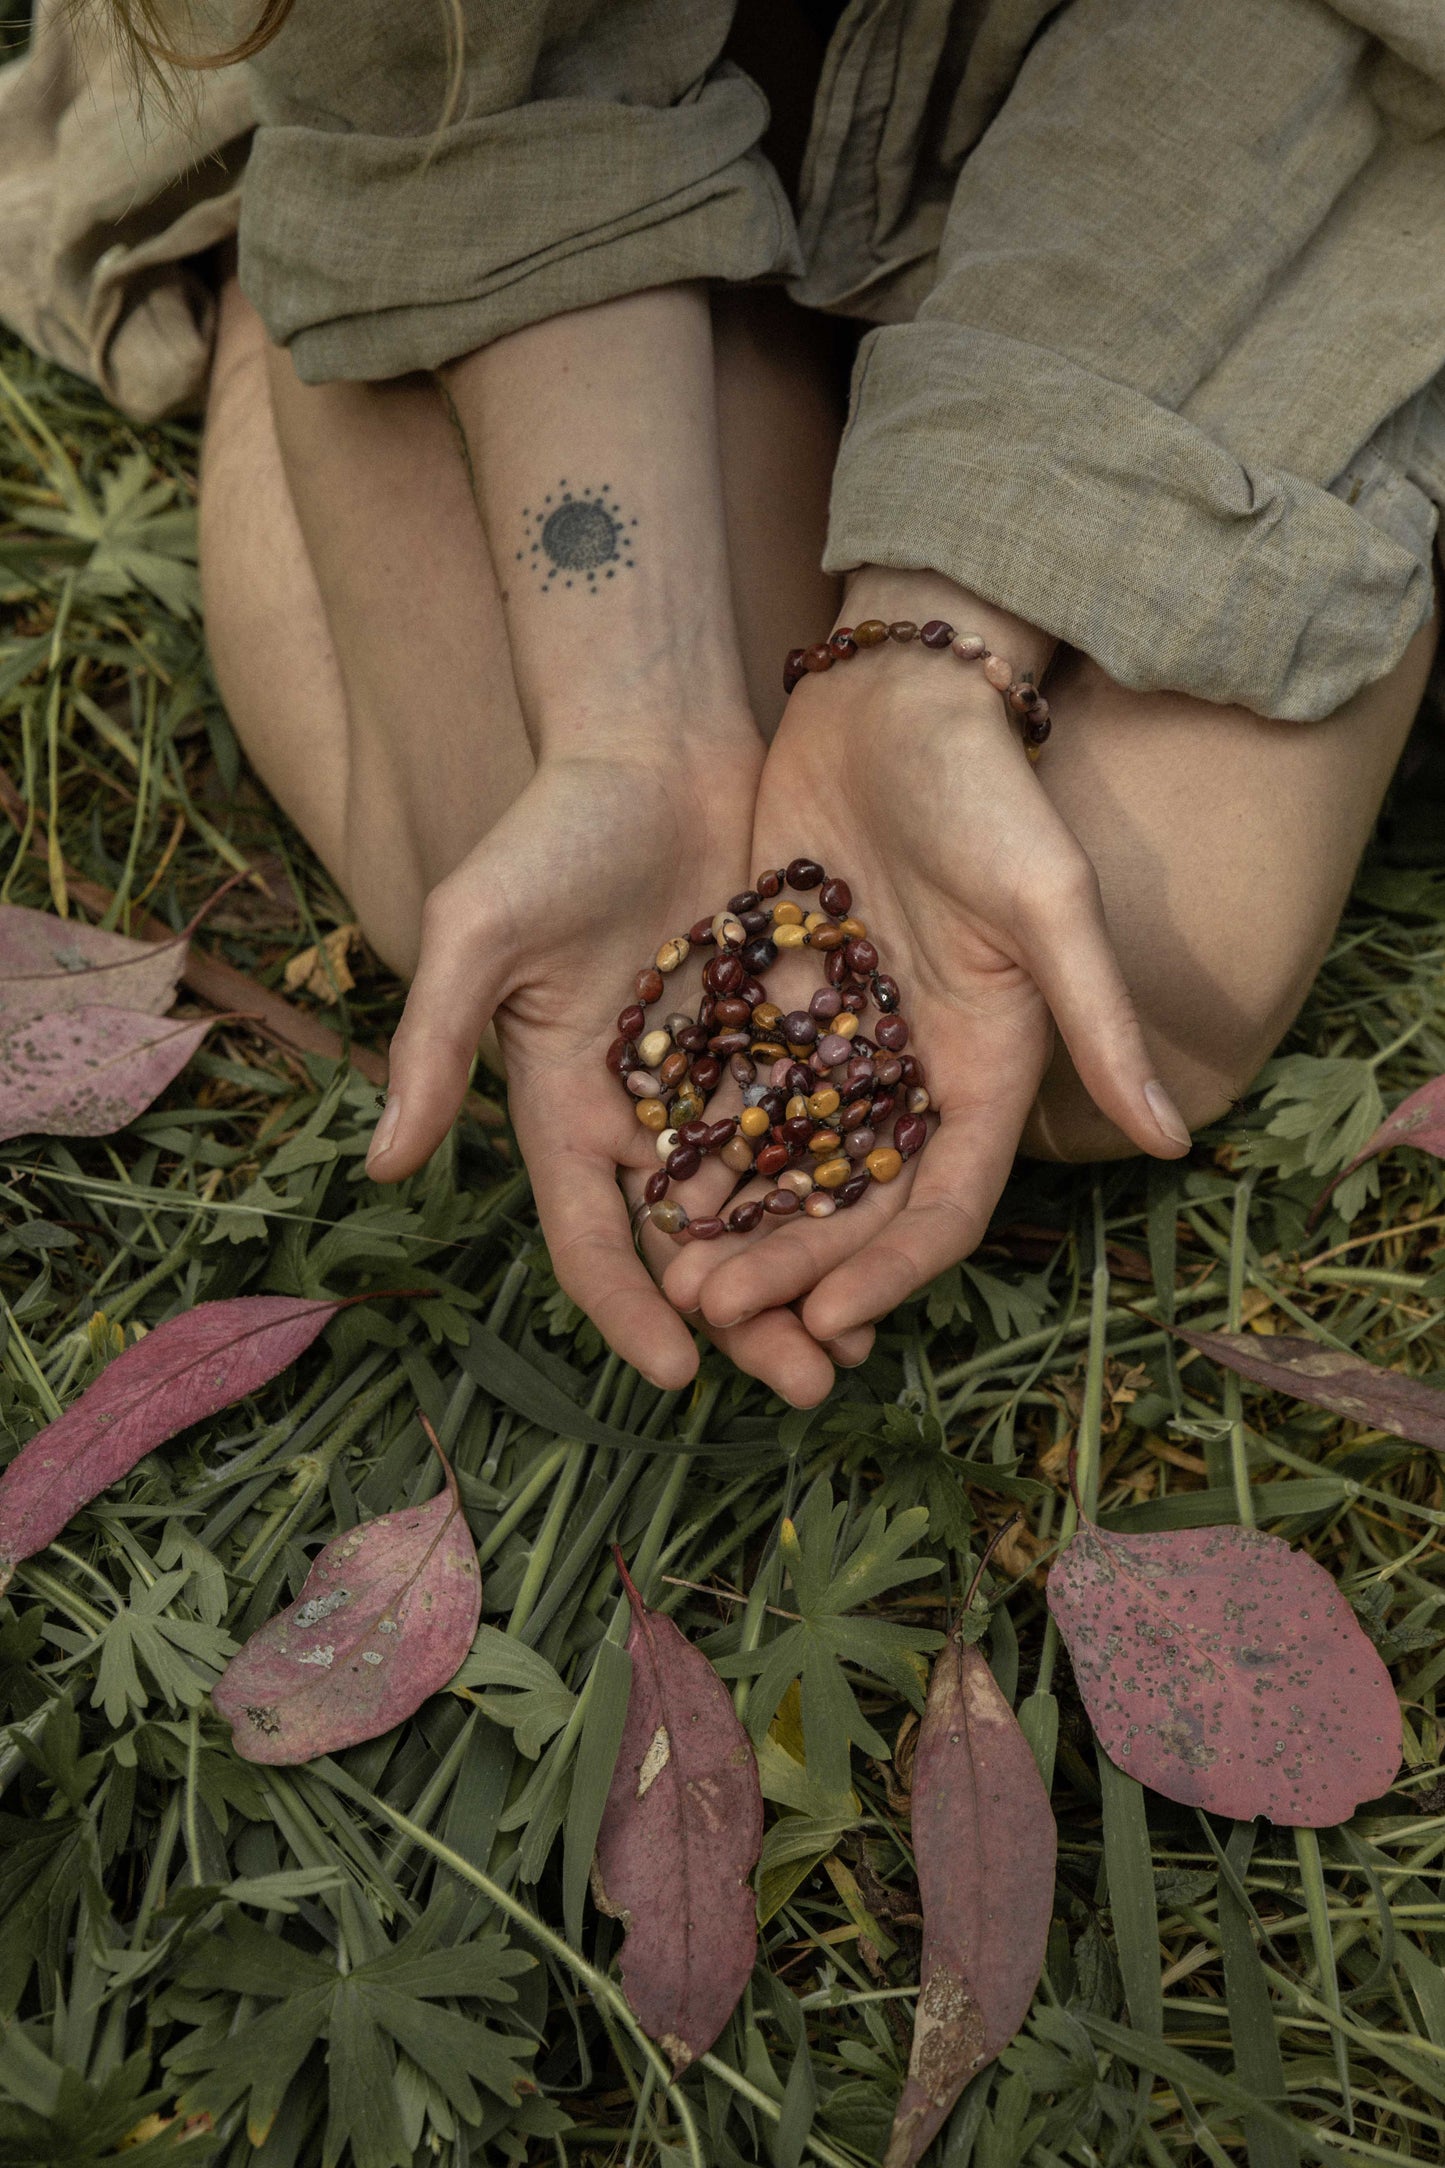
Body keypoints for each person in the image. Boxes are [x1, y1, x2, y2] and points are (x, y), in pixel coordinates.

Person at [4, 0, 1442, 1407]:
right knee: (521, 870)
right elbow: (475, 63)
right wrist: (625, 719)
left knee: (1134, 984)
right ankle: (342, 254)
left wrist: (935, 640)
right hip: (507, 68)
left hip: (1241, 81)